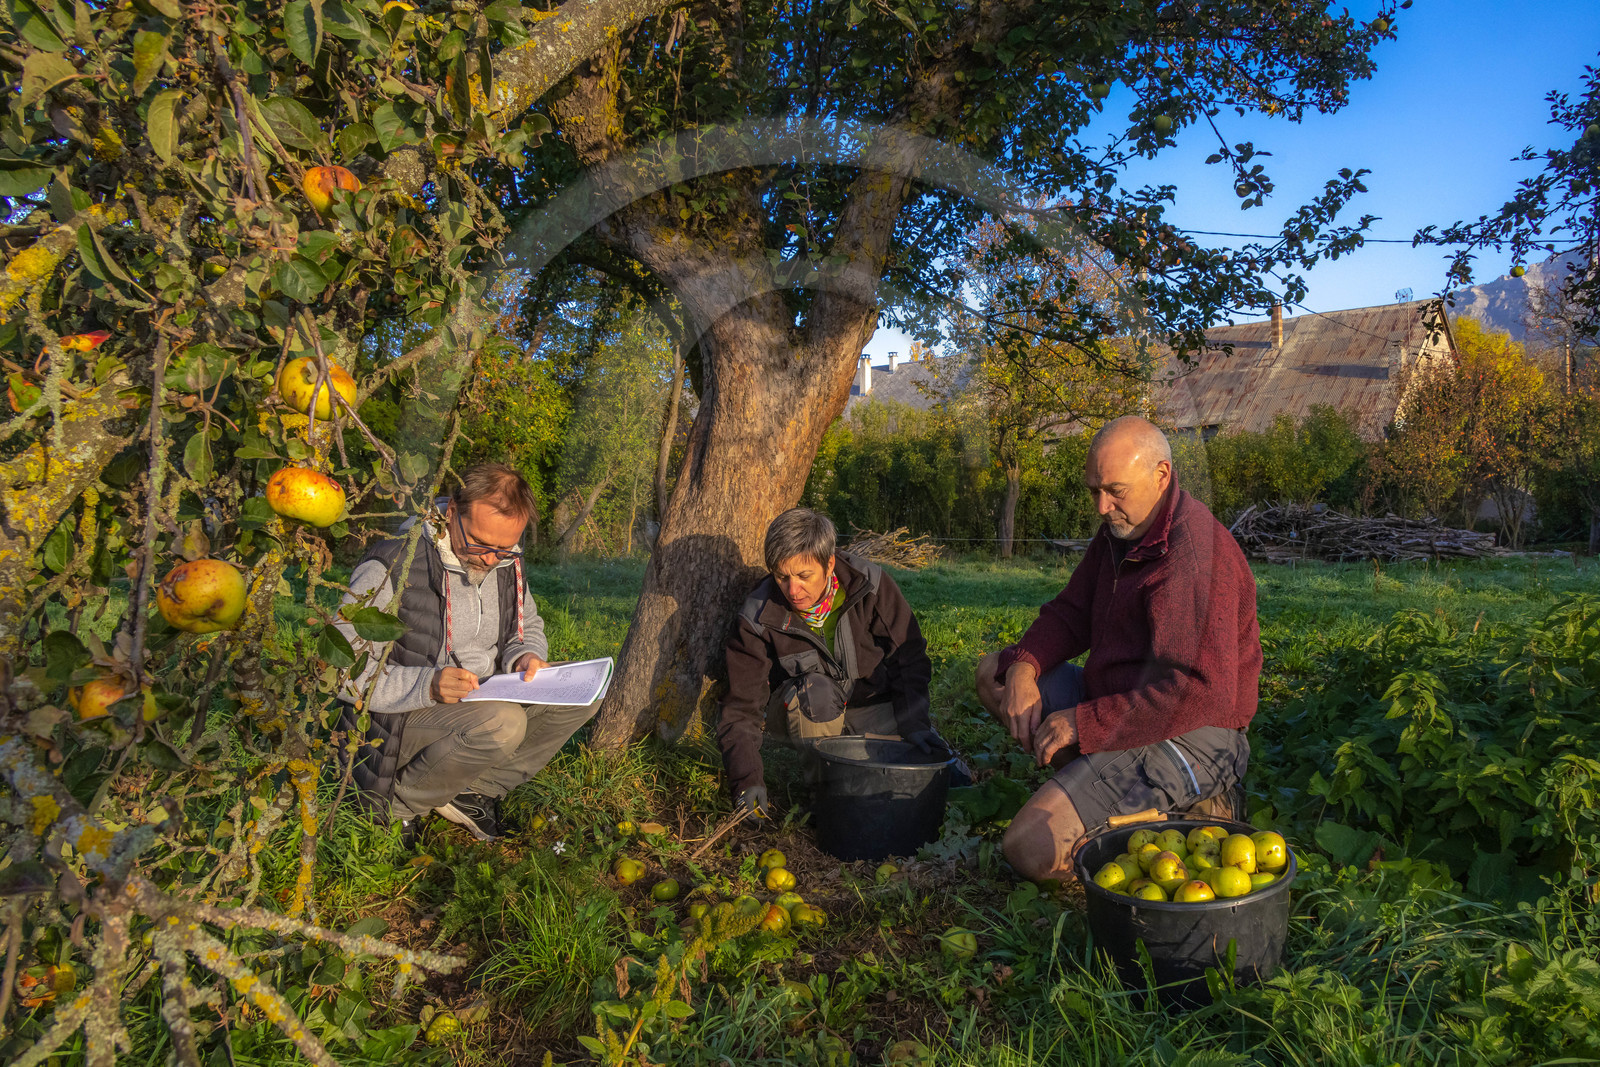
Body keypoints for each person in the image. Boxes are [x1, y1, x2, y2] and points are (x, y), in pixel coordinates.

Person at [976, 416, 1261, 883]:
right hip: (1122, 705)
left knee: (1028, 848)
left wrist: (1083, 723)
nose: (1102, 506)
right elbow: (1071, 613)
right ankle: (1102, 789)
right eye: (1094, 490)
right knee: (997, 674)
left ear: (1162, 475)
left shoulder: (1191, 557)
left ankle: (1192, 812)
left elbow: (1198, 692)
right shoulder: (1124, 531)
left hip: (1194, 732)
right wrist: (1025, 667)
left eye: (1115, 491)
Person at [333, 463, 598, 842]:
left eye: (504, 549)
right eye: (480, 544)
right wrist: (427, 685)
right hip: (399, 715)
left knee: (583, 695)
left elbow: (527, 625)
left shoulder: (505, 561)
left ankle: (477, 791)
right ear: (452, 514)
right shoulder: (391, 565)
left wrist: (525, 655)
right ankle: (402, 807)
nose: (491, 559)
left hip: (478, 694)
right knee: (504, 723)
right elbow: (340, 669)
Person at [716, 507, 949, 815]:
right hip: (802, 711)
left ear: (829, 564)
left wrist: (914, 723)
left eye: (803, 576)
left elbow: (909, 658)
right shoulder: (756, 615)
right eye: (782, 577)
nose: (792, 590)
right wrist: (747, 781)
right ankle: (825, 797)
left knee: (945, 773)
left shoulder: (871, 585)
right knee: (817, 692)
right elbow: (741, 708)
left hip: (872, 708)